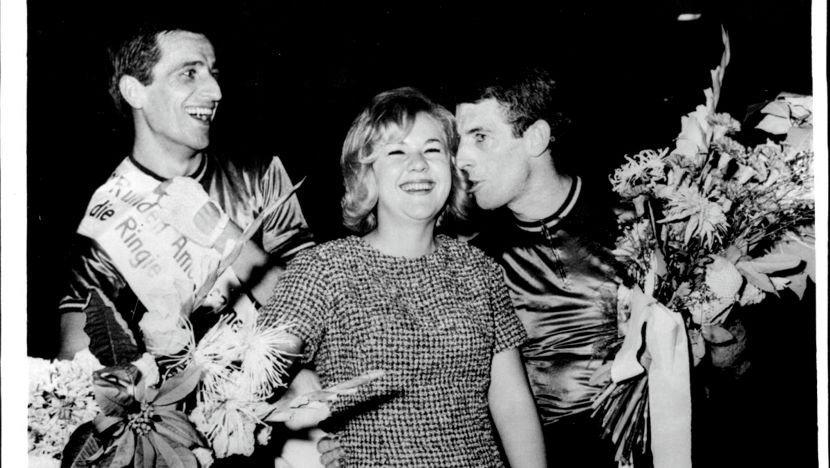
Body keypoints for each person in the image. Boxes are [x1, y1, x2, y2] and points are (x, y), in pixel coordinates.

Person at [258, 87, 547, 468]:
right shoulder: (324, 269)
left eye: (432, 149)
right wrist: (304, 408)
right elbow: (254, 374)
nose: (418, 164)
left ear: (452, 167)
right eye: (396, 151)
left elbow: (511, 403)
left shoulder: (480, 270)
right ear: (366, 174)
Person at [56, 23, 313, 362]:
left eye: (213, 72)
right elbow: (73, 368)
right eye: (189, 74)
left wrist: (224, 237)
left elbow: (316, 311)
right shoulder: (106, 217)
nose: (216, 91)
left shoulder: (259, 174)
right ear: (135, 92)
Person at [454, 68, 624, 468]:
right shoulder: (478, 261)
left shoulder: (635, 221)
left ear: (536, 138)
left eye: (480, 137)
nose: (461, 158)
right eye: (458, 142)